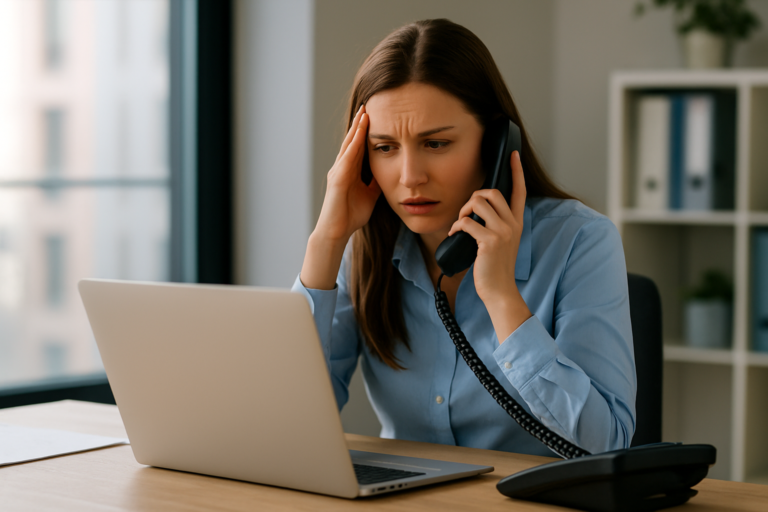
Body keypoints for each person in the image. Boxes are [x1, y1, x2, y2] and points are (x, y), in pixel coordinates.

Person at [292, 18, 636, 457]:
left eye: (435, 144)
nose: (409, 177)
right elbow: (280, 425)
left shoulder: (580, 241)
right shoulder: (364, 249)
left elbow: (606, 444)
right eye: (384, 148)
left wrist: (501, 297)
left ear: (494, 144)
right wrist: (325, 241)